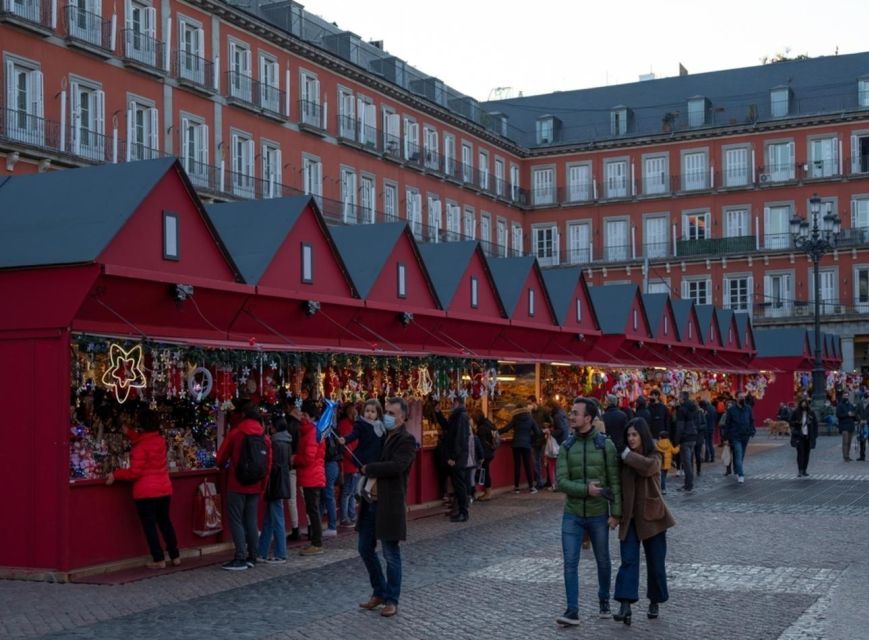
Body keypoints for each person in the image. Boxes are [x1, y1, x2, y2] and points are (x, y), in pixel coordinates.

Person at [554, 397, 622, 627]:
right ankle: (572, 610)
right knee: (570, 562)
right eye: (571, 412)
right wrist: (586, 490)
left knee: (603, 560)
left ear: (589, 418)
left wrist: (617, 514)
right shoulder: (566, 446)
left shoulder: (605, 445)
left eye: (575, 413)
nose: (571, 416)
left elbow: (615, 482)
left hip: (599, 514)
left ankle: (604, 601)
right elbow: (561, 482)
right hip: (572, 514)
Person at [357, 397, 417, 618]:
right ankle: (379, 591)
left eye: (392, 413)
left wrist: (370, 468)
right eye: (387, 413)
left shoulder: (407, 440)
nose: (388, 417)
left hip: (389, 504)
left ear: (403, 417)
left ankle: (392, 599)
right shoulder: (380, 435)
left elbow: (397, 466)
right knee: (364, 548)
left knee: (391, 554)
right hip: (371, 502)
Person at [612, 418, 676, 625]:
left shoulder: (653, 454)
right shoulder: (623, 459)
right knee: (628, 560)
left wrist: (627, 455)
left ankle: (655, 600)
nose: (631, 439)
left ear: (643, 436)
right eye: (628, 435)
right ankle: (625, 604)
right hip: (629, 517)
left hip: (652, 516)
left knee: (655, 562)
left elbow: (648, 467)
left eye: (634, 435)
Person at [106, 408, 180, 569]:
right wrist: (129, 433)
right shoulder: (160, 441)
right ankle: (175, 555)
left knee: (150, 526)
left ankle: (158, 559)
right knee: (165, 522)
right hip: (164, 488)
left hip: (146, 491)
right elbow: (144, 441)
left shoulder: (140, 447)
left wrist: (116, 474)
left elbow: (134, 472)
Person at [216, 403, 272, 570]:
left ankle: (240, 556)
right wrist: (262, 486)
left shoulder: (236, 434)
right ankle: (252, 556)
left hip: (236, 483)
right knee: (251, 521)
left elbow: (220, 458)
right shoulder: (265, 439)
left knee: (236, 520)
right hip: (255, 485)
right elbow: (267, 466)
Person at [257, 417, 292, 563]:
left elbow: (271, 465)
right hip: (282, 482)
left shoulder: (274, 443)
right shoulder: (287, 442)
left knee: (276, 519)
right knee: (270, 519)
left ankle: (280, 553)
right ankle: (262, 551)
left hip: (275, 484)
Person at [294, 399, 326, 555]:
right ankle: (315, 541)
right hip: (312, 475)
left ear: (312, 417)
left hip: (311, 476)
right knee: (313, 510)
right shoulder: (312, 431)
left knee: (313, 510)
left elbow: (308, 457)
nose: (302, 417)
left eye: (305, 414)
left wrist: (294, 459)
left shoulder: (312, 433)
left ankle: (317, 543)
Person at [436, 396, 472, 522]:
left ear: (457, 402)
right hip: (457, 456)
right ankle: (460, 510)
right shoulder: (457, 416)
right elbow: (448, 428)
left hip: (458, 457)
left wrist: (453, 457)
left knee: (459, 485)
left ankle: (463, 512)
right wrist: (438, 414)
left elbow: (459, 439)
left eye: (453, 402)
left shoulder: (461, 417)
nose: (451, 404)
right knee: (458, 485)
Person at [498, 403, 541, 493]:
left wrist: (496, 431)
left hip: (516, 444)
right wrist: (531, 440)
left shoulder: (515, 419)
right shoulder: (530, 418)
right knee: (527, 466)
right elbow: (537, 432)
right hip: (526, 445)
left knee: (517, 466)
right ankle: (531, 487)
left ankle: (516, 487)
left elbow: (506, 428)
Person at [722, 392, 755, 483]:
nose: (742, 399)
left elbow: (751, 420)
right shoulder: (731, 410)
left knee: (741, 455)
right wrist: (726, 437)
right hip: (735, 436)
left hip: (745, 435)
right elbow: (727, 424)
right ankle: (740, 474)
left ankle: (736, 470)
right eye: (740, 397)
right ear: (736, 398)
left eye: (743, 397)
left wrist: (752, 430)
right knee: (738, 453)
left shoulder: (748, 408)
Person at [338, 402, 360, 526]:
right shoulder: (346, 425)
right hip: (350, 463)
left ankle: (351, 515)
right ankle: (345, 517)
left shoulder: (351, 425)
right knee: (348, 492)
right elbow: (347, 447)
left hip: (353, 462)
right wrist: (354, 457)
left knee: (351, 492)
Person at [673, 391, 700, 493]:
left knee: (686, 463)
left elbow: (680, 426)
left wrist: (677, 439)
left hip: (685, 437)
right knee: (689, 461)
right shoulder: (694, 408)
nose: (678, 399)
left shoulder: (682, 410)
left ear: (682, 398)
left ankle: (688, 485)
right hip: (693, 436)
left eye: (679, 397)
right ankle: (689, 483)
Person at [320, 426, 343, 538]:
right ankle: (321, 526)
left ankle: (332, 526)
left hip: (328, 464)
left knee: (327, 496)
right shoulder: (334, 430)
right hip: (333, 464)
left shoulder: (326, 432)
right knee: (326, 496)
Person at [789, 397, 818, 477]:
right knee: (800, 453)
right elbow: (791, 422)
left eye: (805, 403)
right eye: (802, 403)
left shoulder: (811, 413)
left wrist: (815, 435)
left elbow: (815, 424)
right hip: (799, 436)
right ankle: (800, 470)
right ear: (800, 403)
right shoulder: (796, 412)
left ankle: (805, 470)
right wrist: (797, 423)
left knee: (807, 454)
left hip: (808, 436)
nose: (804, 404)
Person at [473, 409, 498, 501]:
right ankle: (487, 492)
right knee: (485, 472)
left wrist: (481, 456)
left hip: (485, 454)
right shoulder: (489, 423)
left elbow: (481, 444)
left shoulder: (482, 428)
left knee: (485, 472)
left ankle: (487, 493)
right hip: (490, 452)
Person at [529, 396, 551, 489]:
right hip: (533, 439)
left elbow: (550, 421)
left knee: (544, 460)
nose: (529, 405)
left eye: (530, 403)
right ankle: (539, 482)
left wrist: (546, 426)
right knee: (536, 461)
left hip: (542, 439)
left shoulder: (543, 411)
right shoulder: (530, 413)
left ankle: (549, 480)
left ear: (534, 402)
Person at [654, 430, 679, 495]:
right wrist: (678, 447)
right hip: (667, 463)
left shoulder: (657, 444)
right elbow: (674, 451)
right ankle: (663, 489)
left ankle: (662, 489)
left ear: (660, 437)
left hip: (660, 462)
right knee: (664, 476)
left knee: (662, 476)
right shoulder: (669, 444)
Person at [837, 395, 857, 462]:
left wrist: (854, 415)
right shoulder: (840, 405)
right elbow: (838, 415)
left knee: (849, 442)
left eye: (847, 396)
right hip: (844, 426)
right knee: (845, 442)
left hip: (851, 426)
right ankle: (845, 456)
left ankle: (848, 455)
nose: (846, 397)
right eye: (845, 396)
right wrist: (847, 414)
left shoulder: (851, 405)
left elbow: (854, 414)